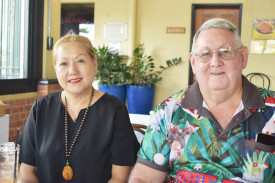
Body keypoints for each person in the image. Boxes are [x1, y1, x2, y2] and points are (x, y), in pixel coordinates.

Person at [129, 18, 275, 183]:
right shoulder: (169, 110)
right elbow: (144, 177)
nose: (215, 62)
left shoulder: (272, 109)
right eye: (205, 54)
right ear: (193, 62)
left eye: (225, 51)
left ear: (243, 57)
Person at [19, 34, 139, 183]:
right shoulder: (41, 107)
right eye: (63, 63)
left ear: (94, 64)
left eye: (80, 60)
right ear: (55, 68)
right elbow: (27, 170)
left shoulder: (114, 110)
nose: (73, 70)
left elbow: (119, 177)